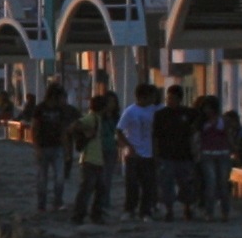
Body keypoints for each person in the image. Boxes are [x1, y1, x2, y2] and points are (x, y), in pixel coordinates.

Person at [70, 79, 120, 222]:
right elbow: (74, 126)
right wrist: (88, 133)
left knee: (99, 189)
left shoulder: (97, 118)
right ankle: (79, 214)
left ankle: (95, 214)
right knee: (87, 188)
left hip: (97, 159)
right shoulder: (92, 118)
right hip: (89, 159)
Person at [146, 84, 198, 219]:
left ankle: (187, 208)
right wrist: (155, 154)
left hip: (184, 154)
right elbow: (155, 136)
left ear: (180, 99)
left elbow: (196, 128)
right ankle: (169, 210)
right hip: (166, 154)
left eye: (173, 98)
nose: (170, 101)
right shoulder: (160, 115)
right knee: (166, 184)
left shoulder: (188, 113)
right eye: (168, 98)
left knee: (186, 184)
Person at [29, 81, 75, 217]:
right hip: (43, 147)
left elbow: (62, 131)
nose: (63, 100)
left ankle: (58, 202)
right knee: (42, 178)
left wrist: (66, 149)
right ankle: (41, 205)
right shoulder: (40, 109)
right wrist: (36, 146)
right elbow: (34, 128)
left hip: (57, 147)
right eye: (61, 97)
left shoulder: (61, 111)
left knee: (60, 177)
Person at [115, 83, 161, 221]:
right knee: (132, 185)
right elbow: (119, 131)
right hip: (133, 154)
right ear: (143, 96)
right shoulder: (130, 111)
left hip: (149, 153)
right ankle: (129, 209)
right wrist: (127, 146)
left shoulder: (155, 110)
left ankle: (146, 212)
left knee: (148, 185)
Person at [193, 96, 239, 220]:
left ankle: (225, 212)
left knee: (223, 183)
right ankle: (209, 212)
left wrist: (234, 148)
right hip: (207, 154)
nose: (207, 110)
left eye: (209, 107)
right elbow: (197, 138)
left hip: (223, 153)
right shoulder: (201, 122)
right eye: (205, 108)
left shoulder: (223, 121)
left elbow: (229, 135)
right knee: (211, 183)